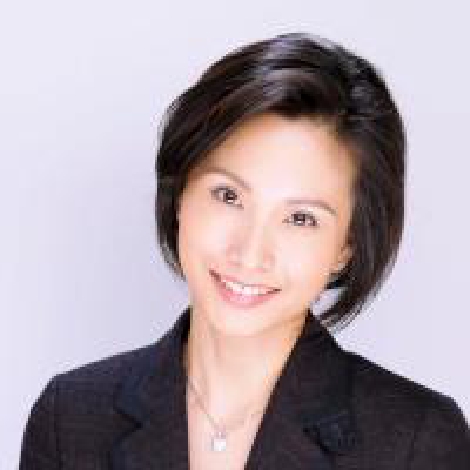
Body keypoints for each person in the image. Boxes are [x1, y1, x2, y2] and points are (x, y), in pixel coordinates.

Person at [19, 32, 470, 469]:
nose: (251, 253)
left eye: (301, 218)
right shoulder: (71, 418)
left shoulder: (419, 440)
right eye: (228, 196)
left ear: (345, 248)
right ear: (180, 197)